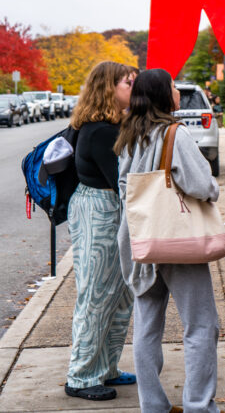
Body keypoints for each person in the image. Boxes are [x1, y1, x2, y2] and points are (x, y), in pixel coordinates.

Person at [114, 69, 222, 413]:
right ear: (163, 94)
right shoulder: (175, 133)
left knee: (146, 326)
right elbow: (200, 185)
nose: (177, 92)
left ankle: (153, 405)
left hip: (141, 239)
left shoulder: (128, 135)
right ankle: (198, 405)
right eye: (173, 87)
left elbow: (124, 188)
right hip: (177, 241)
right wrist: (214, 188)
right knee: (201, 325)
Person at [64, 61, 135, 402]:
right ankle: (80, 376)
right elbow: (122, 181)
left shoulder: (107, 125)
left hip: (104, 209)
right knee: (96, 296)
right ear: (109, 87)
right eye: (128, 83)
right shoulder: (101, 131)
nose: (133, 88)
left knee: (120, 296)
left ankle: (106, 367)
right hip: (99, 212)